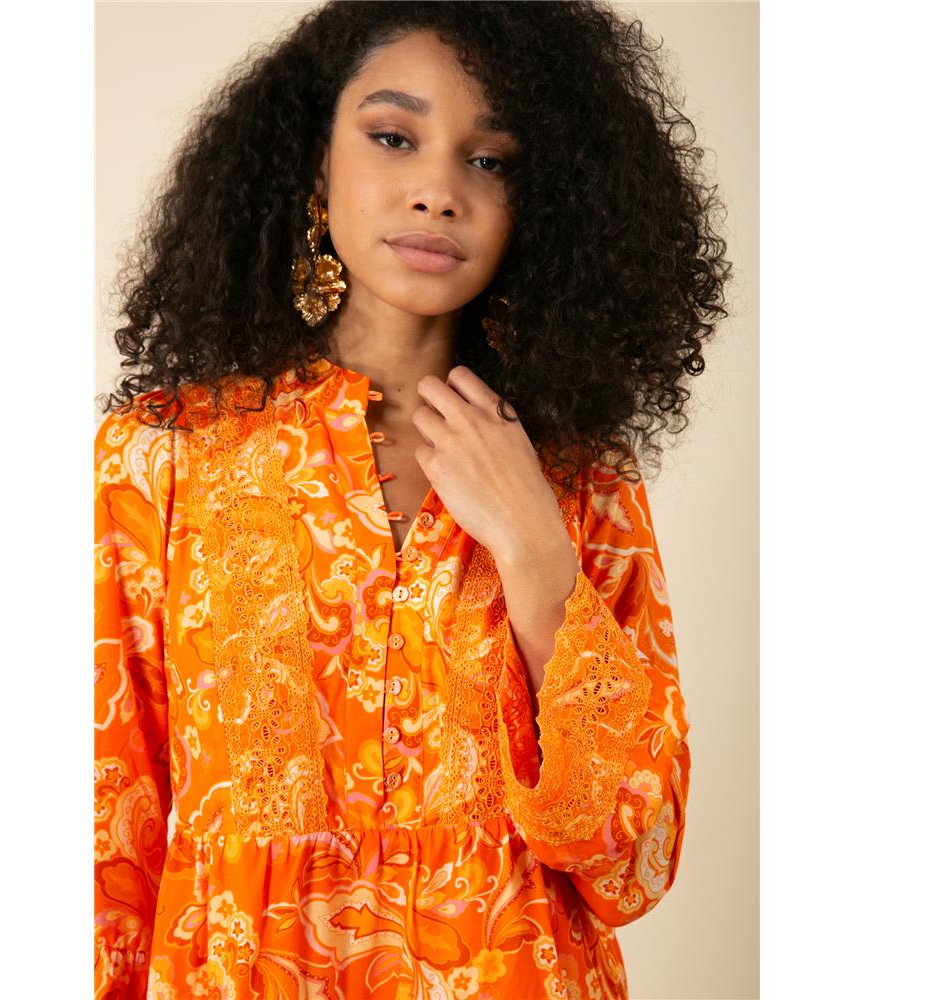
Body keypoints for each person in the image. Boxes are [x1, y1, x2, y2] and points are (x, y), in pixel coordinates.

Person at [94, 2, 730, 997]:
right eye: (394, 138)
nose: (439, 191)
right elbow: (103, 837)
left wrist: (536, 555)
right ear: (315, 163)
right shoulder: (162, 455)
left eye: (491, 160)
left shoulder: (579, 476)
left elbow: (632, 863)